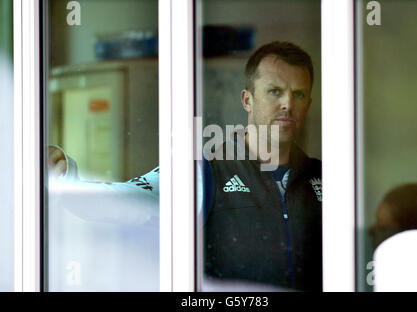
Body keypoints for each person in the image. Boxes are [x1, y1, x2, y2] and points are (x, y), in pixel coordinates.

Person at [48, 41, 322, 291]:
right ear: (247, 100)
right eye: (275, 92)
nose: (287, 104)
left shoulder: (325, 178)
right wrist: (66, 174)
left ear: (308, 104)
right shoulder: (206, 169)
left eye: (298, 94)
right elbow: (126, 200)